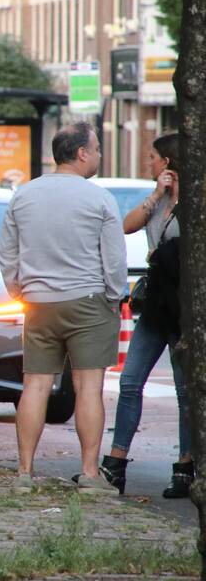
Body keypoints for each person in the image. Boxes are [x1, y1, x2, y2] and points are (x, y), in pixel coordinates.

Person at [0, 122, 126, 495]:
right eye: (97, 149)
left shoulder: (24, 195)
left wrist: (19, 289)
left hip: (39, 302)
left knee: (35, 385)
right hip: (88, 301)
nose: (99, 155)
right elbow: (113, 259)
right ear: (82, 153)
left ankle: (24, 472)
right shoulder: (99, 198)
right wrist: (113, 296)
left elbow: (7, 252)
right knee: (88, 386)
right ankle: (89, 473)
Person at [102, 132, 189, 496]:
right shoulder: (158, 201)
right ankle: (116, 463)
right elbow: (127, 225)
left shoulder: (195, 203)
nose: (148, 163)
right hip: (155, 306)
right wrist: (156, 194)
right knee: (130, 381)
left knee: (186, 391)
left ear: (167, 163)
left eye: (152, 157)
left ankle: (185, 468)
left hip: (183, 307)